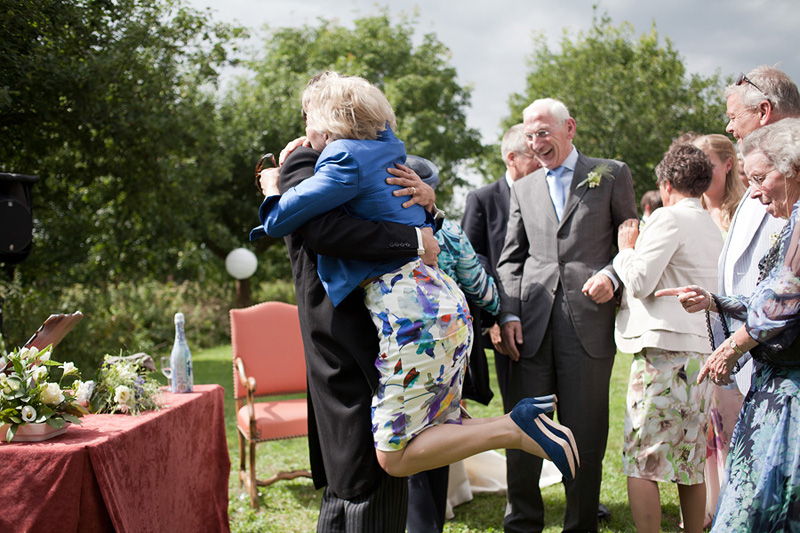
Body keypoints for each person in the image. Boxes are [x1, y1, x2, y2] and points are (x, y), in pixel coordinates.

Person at [256, 72, 579, 484]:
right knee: (438, 428)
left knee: (394, 456)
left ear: (331, 120)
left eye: (309, 119)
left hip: (410, 313)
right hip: (442, 300)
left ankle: (512, 430)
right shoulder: (388, 150)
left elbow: (287, 221)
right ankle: (517, 424)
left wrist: (272, 188)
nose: (305, 129)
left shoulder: (344, 159)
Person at [251, 144, 440, 531]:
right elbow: (326, 232)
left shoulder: (353, 156)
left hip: (369, 335)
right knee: (363, 476)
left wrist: (429, 209)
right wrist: (416, 239)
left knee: (357, 482)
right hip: (347, 337)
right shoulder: (308, 161)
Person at [496, 97, 638, 532]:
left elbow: (630, 237)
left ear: (569, 128)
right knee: (524, 431)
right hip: (531, 329)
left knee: (586, 432)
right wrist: (508, 315)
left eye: (543, 133)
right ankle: (522, 522)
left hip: (588, 326)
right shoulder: (522, 187)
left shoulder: (612, 174)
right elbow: (510, 260)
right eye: (529, 135)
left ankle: (580, 524)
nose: (536, 143)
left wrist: (613, 275)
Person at [657, 118, 800, 532]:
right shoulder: (791, 220)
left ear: (792, 169)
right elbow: (768, 297)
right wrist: (715, 300)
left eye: (760, 178)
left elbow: (784, 299)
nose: (753, 192)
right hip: (774, 391)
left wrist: (731, 347)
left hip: (789, 399)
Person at [614, 144, 722, 533]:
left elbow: (641, 281)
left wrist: (625, 250)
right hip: (703, 352)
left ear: (665, 184)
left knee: (642, 459)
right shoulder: (713, 225)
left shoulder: (667, 217)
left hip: (666, 354)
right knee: (689, 461)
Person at [404, 155, 501, 533]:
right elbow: (484, 292)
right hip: (444, 353)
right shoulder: (449, 232)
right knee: (437, 438)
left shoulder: (378, 225)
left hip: (391, 352)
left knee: (403, 441)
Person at [462, 124, 541, 412]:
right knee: (520, 407)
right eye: (534, 157)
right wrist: (494, 319)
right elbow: (471, 260)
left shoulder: (547, 194)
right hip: (504, 319)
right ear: (512, 158)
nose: (542, 163)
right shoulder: (482, 199)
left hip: (545, 312)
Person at [693, 134, 746, 234]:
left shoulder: (744, 211)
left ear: (728, 165)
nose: (702, 173)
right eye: (697, 166)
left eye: (710, 166)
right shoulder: (688, 212)